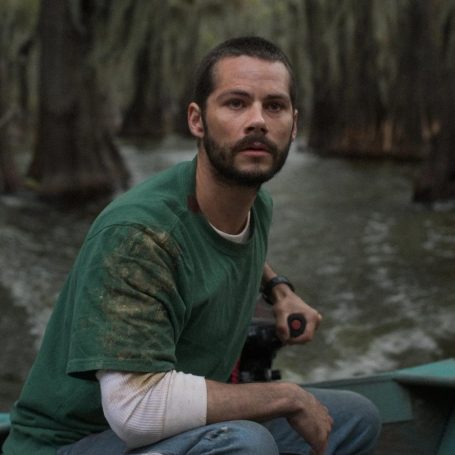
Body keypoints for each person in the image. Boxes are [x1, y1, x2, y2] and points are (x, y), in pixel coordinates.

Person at [3, 36, 381, 455]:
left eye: (274, 106)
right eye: (236, 103)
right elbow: (136, 410)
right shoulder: (138, 234)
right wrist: (286, 396)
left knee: (355, 417)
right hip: (70, 444)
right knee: (245, 444)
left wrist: (279, 289)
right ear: (197, 121)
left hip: (166, 434)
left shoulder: (255, 207)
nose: (257, 120)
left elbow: (222, 245)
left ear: (293, 125)